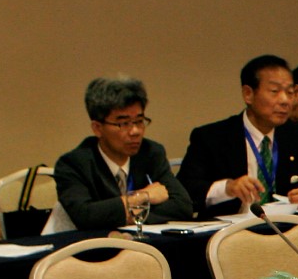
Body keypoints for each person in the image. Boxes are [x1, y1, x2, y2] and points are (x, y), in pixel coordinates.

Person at [177, 55, 298, 219]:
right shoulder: (211, 137)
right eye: (274, 91)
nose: (285, 100)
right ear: (248, 94)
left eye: (290, 92)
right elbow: (185, 190)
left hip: (285, 227)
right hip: (231, 231)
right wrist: (227, 188)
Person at [53, 76, 193, 230]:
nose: (135, 131)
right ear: (97, 128)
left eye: (139, 121)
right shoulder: (73, 164)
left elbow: (183, 206)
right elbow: (86, 216)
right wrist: (143, 196)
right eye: (123, 123)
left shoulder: (151, 153)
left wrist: (125, 215)